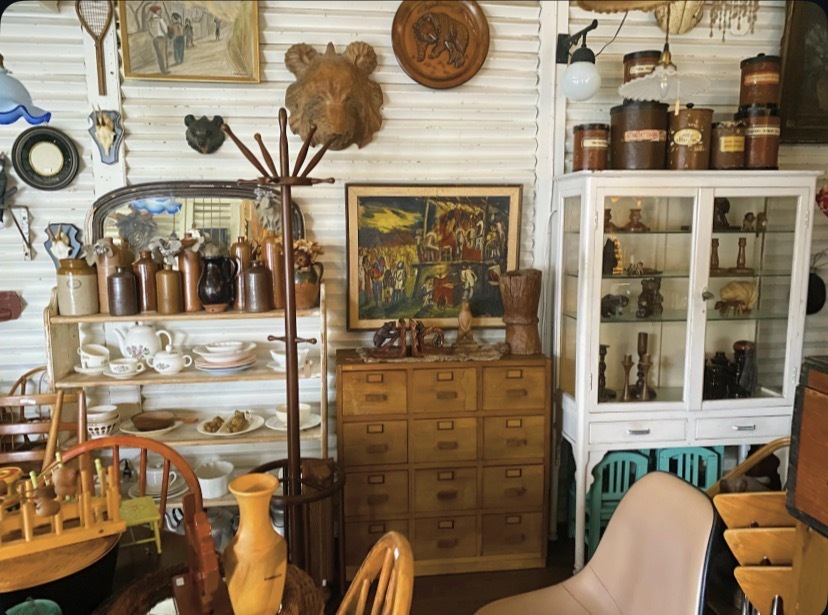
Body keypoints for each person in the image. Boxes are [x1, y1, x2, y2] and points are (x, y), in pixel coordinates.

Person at [147, 5, 169, 74]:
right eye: (159, 10)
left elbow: (150, 31)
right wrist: (166, 36)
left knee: (159, 55)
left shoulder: (150, 21)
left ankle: (162, 69)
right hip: (161, 38)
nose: (161, 11)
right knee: (163, 55)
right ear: (156, 11)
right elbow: (165, 30)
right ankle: (165, 70)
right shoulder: (160, 19)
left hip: (155, 39)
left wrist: (154, 36)